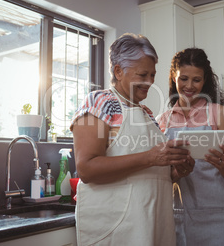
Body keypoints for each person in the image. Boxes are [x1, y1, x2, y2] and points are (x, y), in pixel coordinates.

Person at [70, 33, 194, 246]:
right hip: (120, 229)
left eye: (153, 75)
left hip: (153, 226)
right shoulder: (101, 102)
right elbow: (86, 168)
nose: (150, 82)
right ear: (119, 71)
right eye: (143, 74)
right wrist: (151, 157)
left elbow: (151, 173)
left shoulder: (146, 113)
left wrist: (175, 172)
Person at [157, 48, 224, 246]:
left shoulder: (219, 113)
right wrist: (177, 173)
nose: (189, 86)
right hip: (182, 213)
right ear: (174, 77)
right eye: (184, 78)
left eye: (196, 80)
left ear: (204, 80)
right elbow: (166, 177)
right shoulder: (163, 121)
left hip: (220, 213)